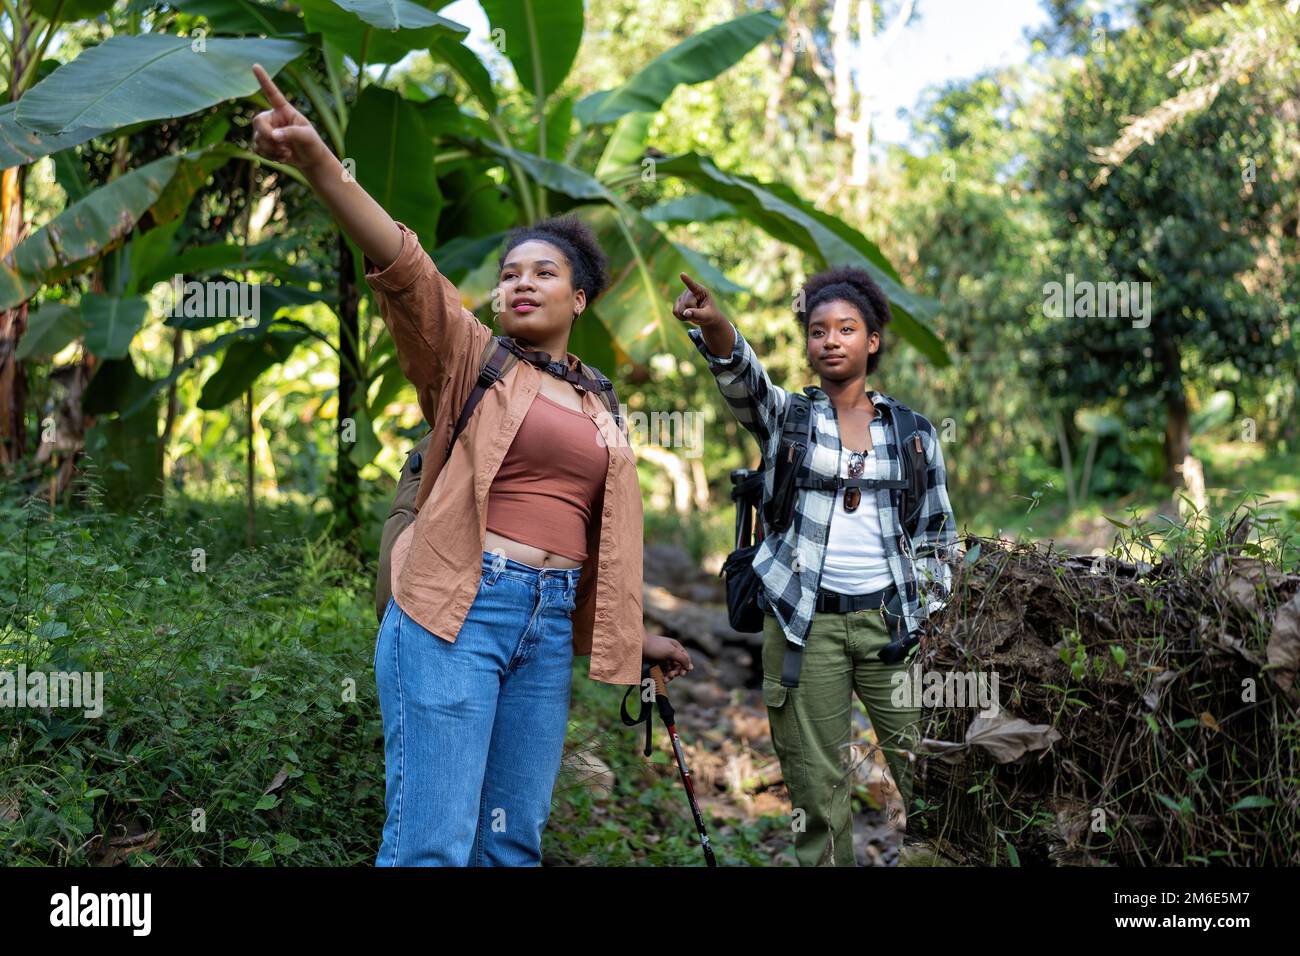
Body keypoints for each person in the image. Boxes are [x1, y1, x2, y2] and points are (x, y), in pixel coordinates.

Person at [248, 64, 691, 867]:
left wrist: (634, 641)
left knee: (510, 845)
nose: (522, 282)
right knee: (433, 846)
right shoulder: (472, 362)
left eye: (544, 271)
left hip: (548, 624)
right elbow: (406, 268)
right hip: (459, 607)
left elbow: (602, 546)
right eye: (510, 274)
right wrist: (318, 162)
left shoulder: (603, 407)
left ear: (581, 298)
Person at [674, 267, 955, 866]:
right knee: (817, 794)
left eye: (847, 329)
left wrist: (927, 613)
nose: (830, 340)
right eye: (818, 330)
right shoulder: (789, 420)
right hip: (806, 627)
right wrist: (718, 325)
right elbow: (744, 382)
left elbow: (937, 536)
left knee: (934, 779)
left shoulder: (914, 434)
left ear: (872, 341)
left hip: (894, 629)